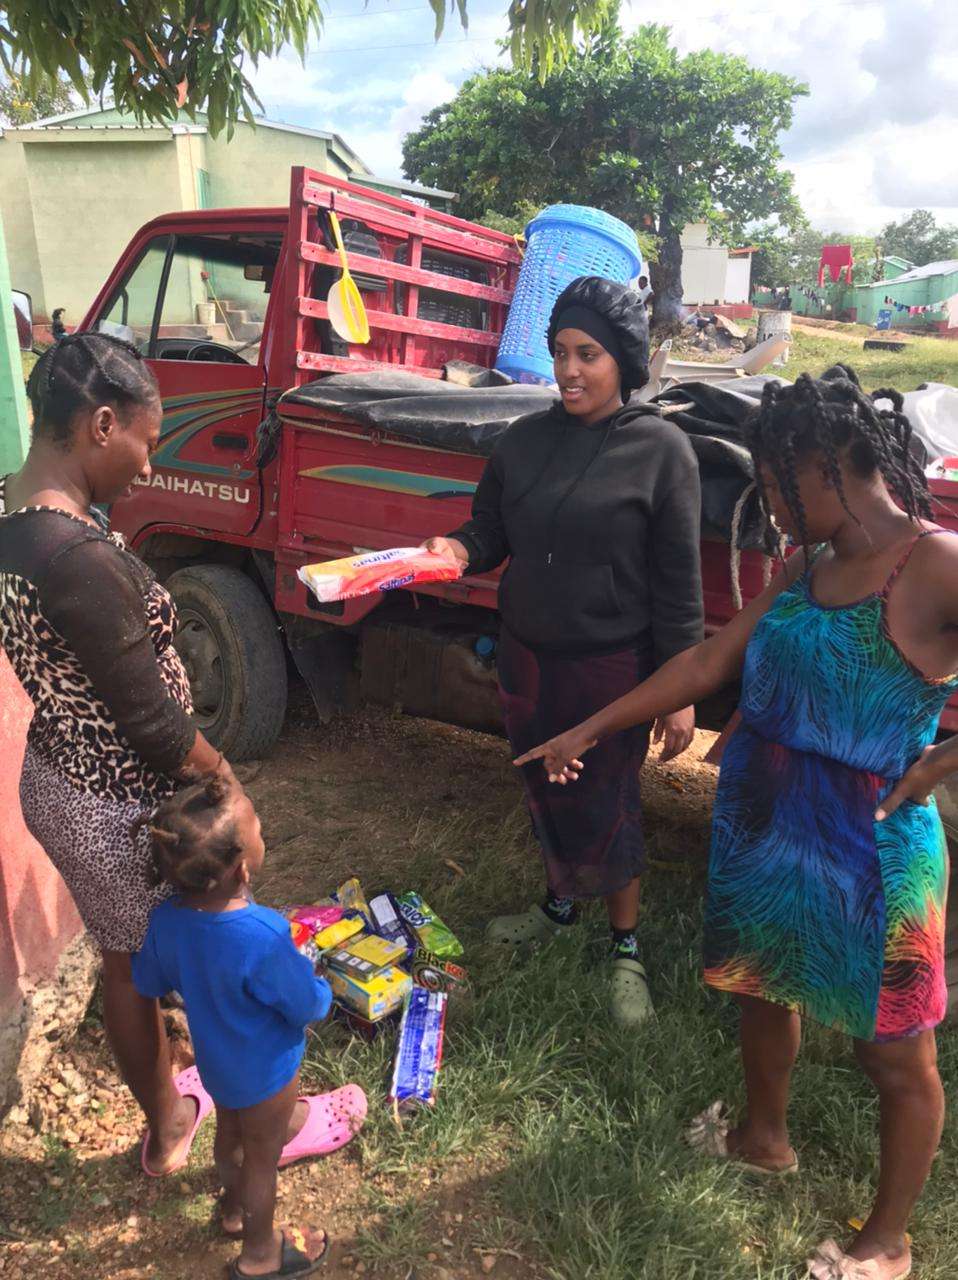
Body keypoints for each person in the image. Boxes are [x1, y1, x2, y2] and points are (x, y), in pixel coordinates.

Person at [516, 370, 956, 1280]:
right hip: (767, 818)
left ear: (824, 466)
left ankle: (889, 1241)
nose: (767, 505)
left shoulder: (935, 562)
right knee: (762, 990)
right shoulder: (809, 566)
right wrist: (595, 726)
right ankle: (764, 1138)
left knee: (894, 1054)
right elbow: (715, 657)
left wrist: (947, 760)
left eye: (774, 480)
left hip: (872, 844)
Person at [0, 334, 349, 1182]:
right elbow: (153, 725)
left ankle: (174, 1115)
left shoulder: (17, 516)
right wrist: (224, 777)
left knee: (135, 956)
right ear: (100, 423)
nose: (149, 466)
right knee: (172, 951)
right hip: (111, 794)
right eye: (147, 444)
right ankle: (242, 1115)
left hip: (63, 772)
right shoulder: (76, 558)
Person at [425, 275, 703, 1028]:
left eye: (588, 353)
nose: (571, 369)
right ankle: (557, 905)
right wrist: (456, 545)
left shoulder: (662, 452)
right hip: (528, 658)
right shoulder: (524, 440)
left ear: (623, 359)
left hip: (611, 668)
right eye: (559, 352)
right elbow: (491, 531)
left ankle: (626, 945)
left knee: (609, 800)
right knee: (543, 786)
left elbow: (679, 585)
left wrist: (679, 689)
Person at [133, 772, 364, 1279]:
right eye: (258, 829)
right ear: (241, 870)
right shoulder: (263, 933)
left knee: (231, 1140)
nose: (263, 834)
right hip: (267, 1072)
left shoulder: (166, 921)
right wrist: (320, 984)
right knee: (263, 1155)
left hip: (217, 1065)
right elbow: (307, 1006)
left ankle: (234, 1211)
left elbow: (148, 980)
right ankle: (260, 1254)